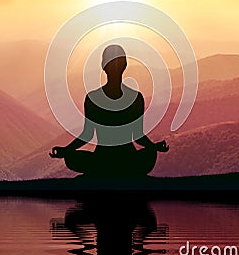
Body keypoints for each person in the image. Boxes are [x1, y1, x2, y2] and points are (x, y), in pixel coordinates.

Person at [49, 44, 169, 177]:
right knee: (149, 154)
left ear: (103, 65)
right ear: (125, 65)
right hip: (128, 160)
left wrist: (67, 150)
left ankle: (101, 170)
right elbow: (137, 135)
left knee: (72, 157)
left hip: (102, 160)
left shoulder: (94, 98)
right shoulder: (134, 98)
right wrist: (153, 147)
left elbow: (88, 134)